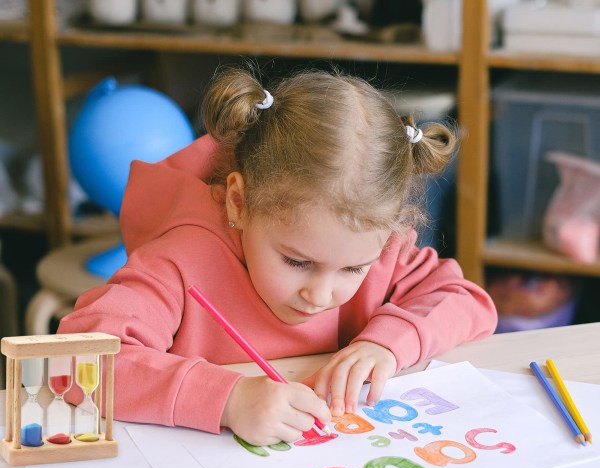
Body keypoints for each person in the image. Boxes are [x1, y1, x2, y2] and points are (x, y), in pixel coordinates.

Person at [58, 66, 497, 446]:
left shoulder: (376, 245)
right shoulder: (181, 259)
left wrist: (386, 344)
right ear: (238, 203)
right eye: (297, 261)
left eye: (352, 269)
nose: (321, 295)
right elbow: (77, 361)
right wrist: (228, 399)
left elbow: (467, 300)